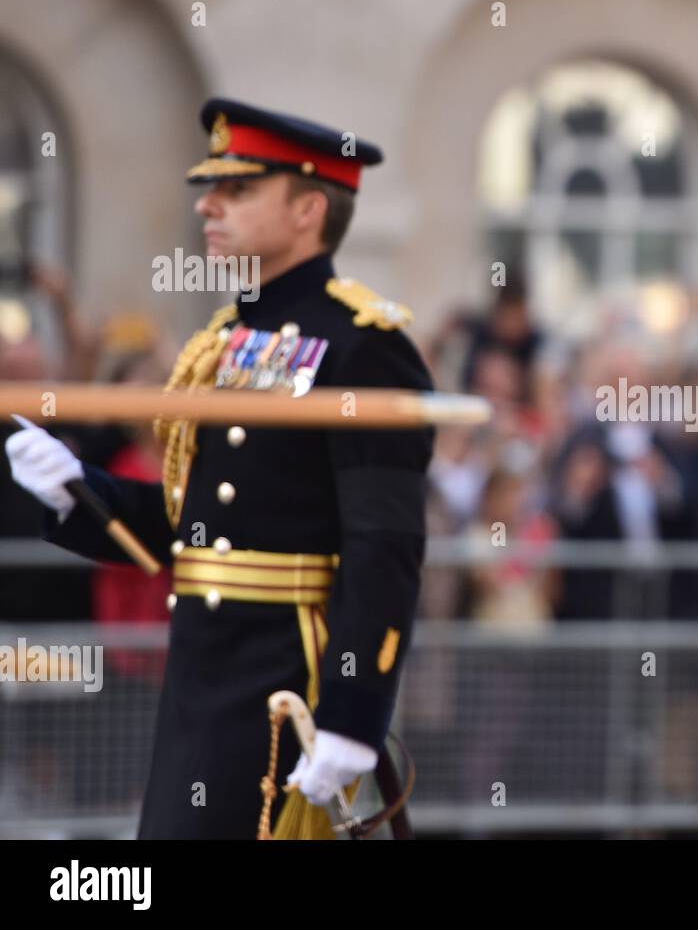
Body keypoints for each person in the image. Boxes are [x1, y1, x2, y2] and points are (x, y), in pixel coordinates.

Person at [4, 98, 434, 838]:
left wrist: (353, 715)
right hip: (202, 674)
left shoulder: (364, 343)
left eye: (238, 190)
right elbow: (194, 526)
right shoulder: (227, 338)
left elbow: (383, 548)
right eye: (213, 187)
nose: (208, 205)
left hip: (284, 685)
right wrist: (79, 488)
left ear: (307, 208)